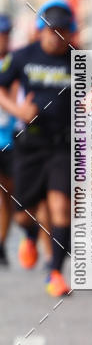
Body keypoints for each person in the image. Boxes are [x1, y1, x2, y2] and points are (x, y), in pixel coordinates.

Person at [0, 0, 75, 296]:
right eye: (51, 31)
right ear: (40, 31)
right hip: (29, 143)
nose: (56, 37)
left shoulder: (80, 60)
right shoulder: (22, 57)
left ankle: (55, 271)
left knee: (61, 208)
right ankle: (29, 234)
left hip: (62, 145)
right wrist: (18, 110)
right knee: (22, 211)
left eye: (63, 31)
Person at [0, 15, 16, 266]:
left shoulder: (17, 61)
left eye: (6, 33)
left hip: (11, 138)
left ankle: (1, 242)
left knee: (7, 195)